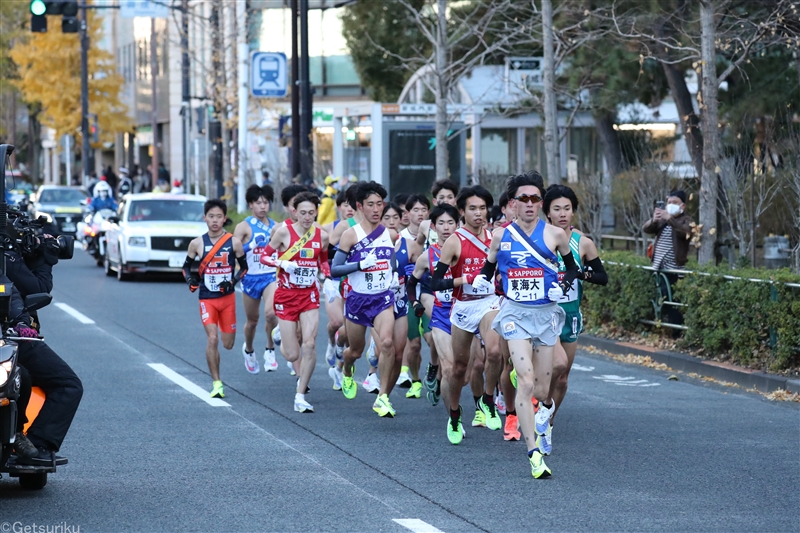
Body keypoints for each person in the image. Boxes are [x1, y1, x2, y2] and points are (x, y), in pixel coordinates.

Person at [474, 172, 579, 478]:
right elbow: (489, 265)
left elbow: (571, 268)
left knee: (544, 389)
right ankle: (533, 453)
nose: (530, 204)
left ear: (541, 203)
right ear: (513, 204)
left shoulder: (556, 235)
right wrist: (483, 278)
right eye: (524, 199)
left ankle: (544, 414)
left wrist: (563, 284)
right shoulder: (500, 235)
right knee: (526, 379)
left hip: (545, 316)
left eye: (536, 199)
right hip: (515, 315)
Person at [430, 186, 504, 444]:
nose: (478, 213)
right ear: (462, 211)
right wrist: (465, 279)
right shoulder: (454, 241)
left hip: (489, 303)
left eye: (483, 208)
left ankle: (487, 400)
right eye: (472, 208)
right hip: (462, 307)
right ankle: (454, 414)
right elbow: (436, 283)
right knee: (459, 370)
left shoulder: (496, 237)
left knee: (494, 352)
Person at [540, 183, 608, 452]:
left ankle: (548, 424)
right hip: (543, 314)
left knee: (563, 376)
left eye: (567, 208)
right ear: (547, 213)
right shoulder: (539, 240)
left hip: (570, 315)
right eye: (557, 209)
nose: (563, 214)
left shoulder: (583, 243)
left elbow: (602, 277)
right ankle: (532, 396)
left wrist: (580, 274)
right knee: (553, 367)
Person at [330, 181, 400, 417]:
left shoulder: (389, 234)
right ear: (360, 206)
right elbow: (334, 269)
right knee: (356, 350)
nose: (376, 209)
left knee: (388, 343)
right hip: (358, 300)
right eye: (370, 204)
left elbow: (390, 260)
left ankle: (383, 397)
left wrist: (394, 274)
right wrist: (359, 264)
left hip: (382, 298)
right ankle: (347, 369)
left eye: (380, 204)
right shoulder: (351, 235)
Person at [259, 192, 330, 413]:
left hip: (309, 295)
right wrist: (282, 262)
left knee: (309, 344)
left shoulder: (323, 236)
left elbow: (324, 262)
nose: (307, 217)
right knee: (292, 354)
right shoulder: (283, 232)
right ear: (294, 212)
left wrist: (326, 279)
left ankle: (300, 395)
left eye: (311, 213)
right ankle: (279, 333)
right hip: (286, 295)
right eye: (303, 213)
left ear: (316, 212)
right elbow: (264, 256)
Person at [2, 275, 83, 466]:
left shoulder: (1, 277)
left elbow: (11, 297)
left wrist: (21, 324)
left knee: (22, 377)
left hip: (8, 343)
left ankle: (25, 438)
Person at [182, 199, 248, 398]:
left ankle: (241, 348)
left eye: (219, 216)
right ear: (205, 218)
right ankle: (217, 383)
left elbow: (244, 268)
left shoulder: (234, 242)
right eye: (211, 216)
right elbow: (186, 268)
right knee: (212, 338)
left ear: (224, 218)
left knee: (228, 344)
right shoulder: (197, 243)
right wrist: (191, 280)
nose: (215, 220)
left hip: (227, 300)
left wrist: (233, 281)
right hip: (207, 298)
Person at [406, 204, 458, 403]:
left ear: (458, 225)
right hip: (439, 309)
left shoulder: (467, 251)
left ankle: (438, 376)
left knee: (466, 372)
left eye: (450, 223)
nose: (446, 228)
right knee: (449, 367)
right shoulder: (427, 256)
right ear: (434, 228)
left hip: (465, 311)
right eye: (441, 223)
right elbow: (412, 285)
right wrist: (415, 303)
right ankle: (453, 414)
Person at [233, 184, 279, 374]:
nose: (262, 206)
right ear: (251, 204)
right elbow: (232, 251)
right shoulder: (243, 226)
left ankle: (270, 349)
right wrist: (250, 245)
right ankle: (249, 350)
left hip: (270, 276)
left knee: (271, 314)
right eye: (258, 203)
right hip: (250, 277)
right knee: (252, 321)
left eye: (266, 203)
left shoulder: (276, 227)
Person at [321, 188, 355, 390]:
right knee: (336, 323)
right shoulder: (335, 227)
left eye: (353, 205)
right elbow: (325, 250)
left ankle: (340, 368)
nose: (349, 209)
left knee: (349, 329)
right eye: (345, 205)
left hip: (354, 281)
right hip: (334, 280)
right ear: (339, 207)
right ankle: (332, 344)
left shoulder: (368, 227)